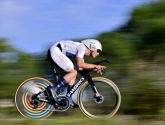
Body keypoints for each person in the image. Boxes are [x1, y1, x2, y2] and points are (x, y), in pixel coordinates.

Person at [47, 39, 106, 108]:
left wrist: (95, 68)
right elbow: (80, 64)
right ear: (93, 47)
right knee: (73, 72)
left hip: (56, 51)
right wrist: (95, 66)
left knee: (74, 73)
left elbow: (81, 68)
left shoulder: (82, 54)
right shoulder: (82, 47)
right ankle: (54, 89)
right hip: (55, 50)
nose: (98, 53)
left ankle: (69, 99)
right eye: (98, 51)